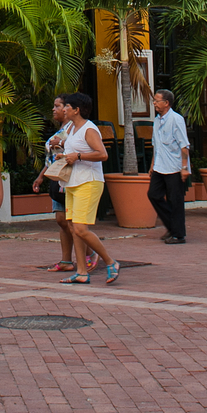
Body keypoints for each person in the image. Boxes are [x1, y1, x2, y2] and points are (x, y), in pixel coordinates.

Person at [55, 92, 118, 285]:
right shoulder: (72, 129)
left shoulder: (89, 129)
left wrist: (79, 157)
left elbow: (102, 154)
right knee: (74, 228)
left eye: (67, 106)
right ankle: (81, 272)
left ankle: (110, 262)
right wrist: (64, 156)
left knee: (81, 229)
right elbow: (72, 152)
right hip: (73, 183)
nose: (64, 109)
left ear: (76, 110)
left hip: (88, 182)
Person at [32, 98, 88, 274]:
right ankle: (66, 260)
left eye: (58, 106)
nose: (54, 109)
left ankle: (89, 254)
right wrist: (41, 177)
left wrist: (62, 144)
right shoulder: (61, 130)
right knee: (61, 220)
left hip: (69, 177)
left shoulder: (74, 129)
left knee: (71, 222)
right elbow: (52, 159)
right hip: (57, 177)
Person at [147, 87, 191, 245]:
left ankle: (178, 234)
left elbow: (184, 145)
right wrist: (152, 164)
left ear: (166, 103)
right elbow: (156, 145)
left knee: (175, 200)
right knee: (153, 194)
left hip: (174, 167)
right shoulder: (157, 121)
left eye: (157, 101)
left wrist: (184, 168)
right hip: (160, 165)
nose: (154, 103)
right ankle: (173, 226)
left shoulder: (176, 119)